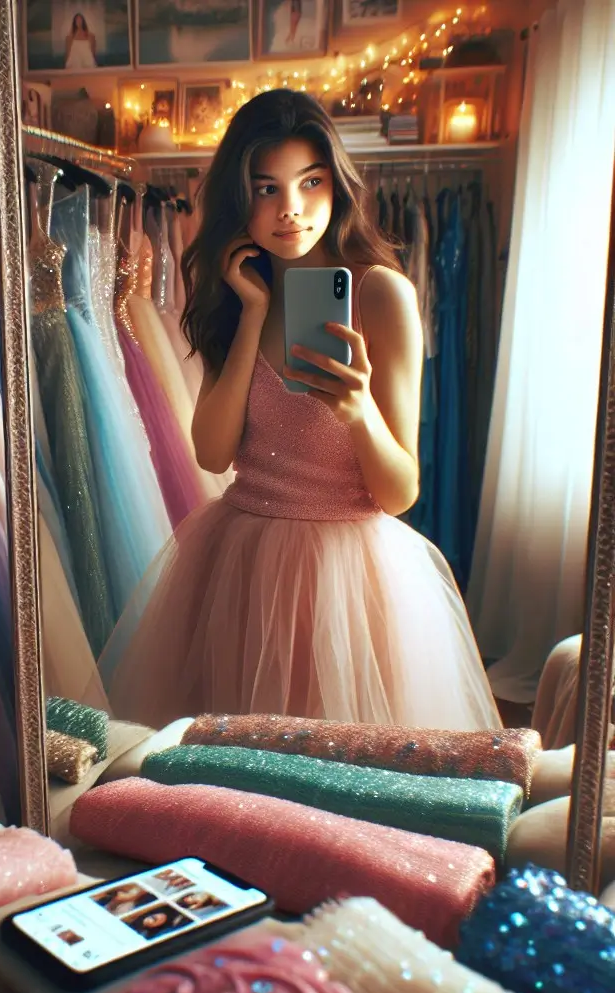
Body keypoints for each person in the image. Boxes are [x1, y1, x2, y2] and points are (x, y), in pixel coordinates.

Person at [101, 89, 501, 733]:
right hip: (241, 563)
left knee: (338, 774)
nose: (290, 210)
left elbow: (400, 493)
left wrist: (359, 410)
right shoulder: (237, 295)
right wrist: (252, 312)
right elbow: (212, 453)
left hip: (351, 577)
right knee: (237, 780)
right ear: (240, 198)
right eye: (266, 188)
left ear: (336, 185)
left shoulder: (382, 296)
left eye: (310, 182)